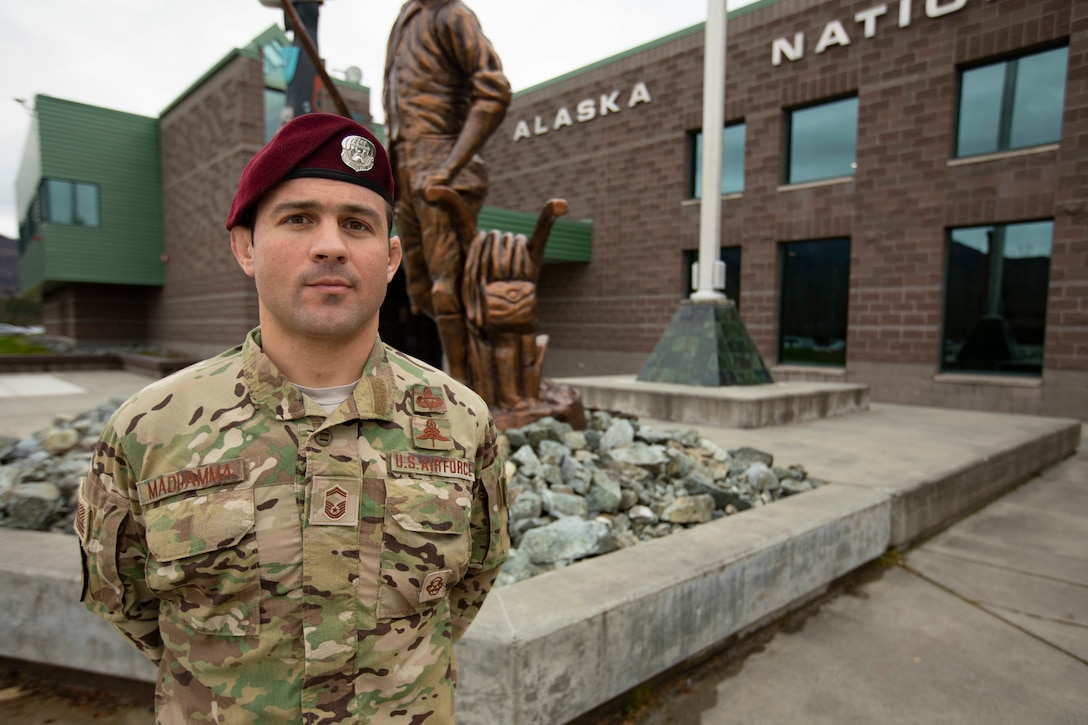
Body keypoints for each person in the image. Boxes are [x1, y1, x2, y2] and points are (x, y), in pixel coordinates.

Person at [75, 113, 509, 724]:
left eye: (356, 224)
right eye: (299, 218)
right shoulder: (152, 429)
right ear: (245, 246)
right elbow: (124, 599)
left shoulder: (463, 423)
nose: (330, 244)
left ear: (389, 259)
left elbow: (474, 580)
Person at [383, 0, 511, 383]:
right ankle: (462, 373)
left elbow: (494, 92)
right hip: (406, 175)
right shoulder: (406, 20)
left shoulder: (452, 14)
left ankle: (468, 387)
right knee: (420, 290)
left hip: (443, 170)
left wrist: (449, 167)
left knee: (448, 287)